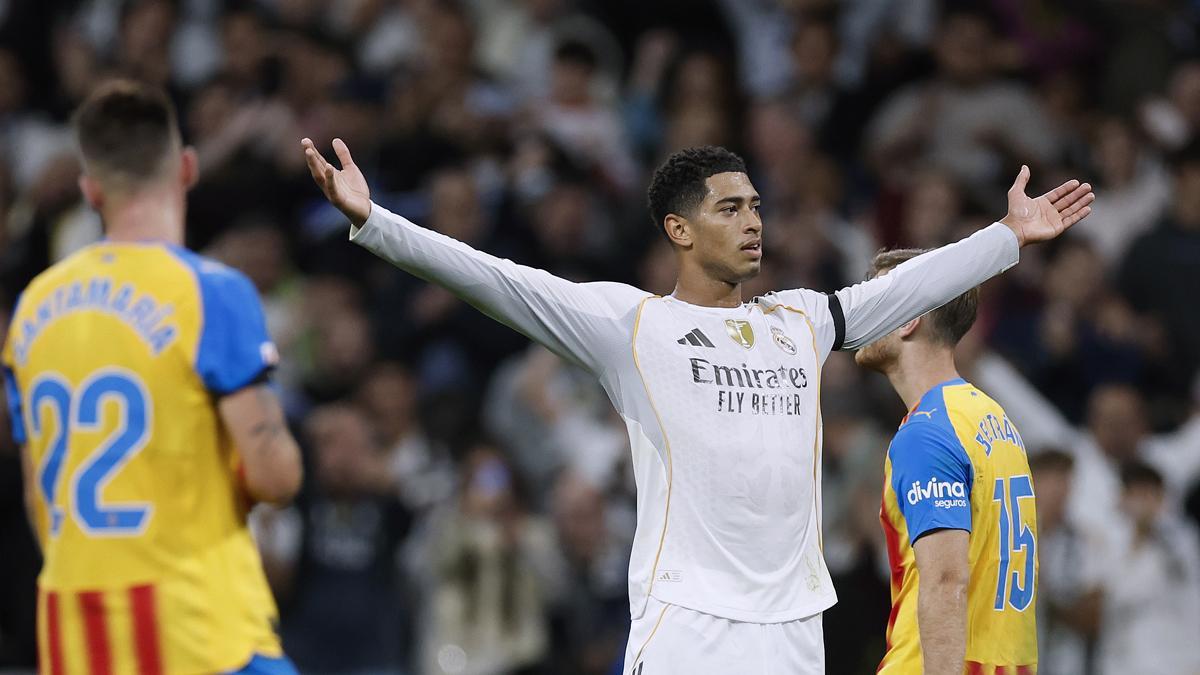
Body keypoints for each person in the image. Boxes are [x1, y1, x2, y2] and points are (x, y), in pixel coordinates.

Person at [302, 135, 1092, 674]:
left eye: (756, 206)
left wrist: (1007, 237)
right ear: (678, 228)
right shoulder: (632, 324)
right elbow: (500, 280)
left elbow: (905, 288)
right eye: (729, 209)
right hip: (687, 624)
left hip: (791, 628)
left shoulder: (800, 320)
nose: (752, 221)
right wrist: (378, 224)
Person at [1, 80, 303, 674]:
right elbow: (276, 478)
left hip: (79, 642)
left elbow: (40, 499)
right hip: (201, 633)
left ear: (90, 190)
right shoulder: (210, 292)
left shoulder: (33, 308)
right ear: (187, 168)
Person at [854, 248, 1038, 674]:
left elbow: (945, 581)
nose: (856, 312)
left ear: (907, 319)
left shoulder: (927, 433)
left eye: (872, 297)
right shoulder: (993, 418)